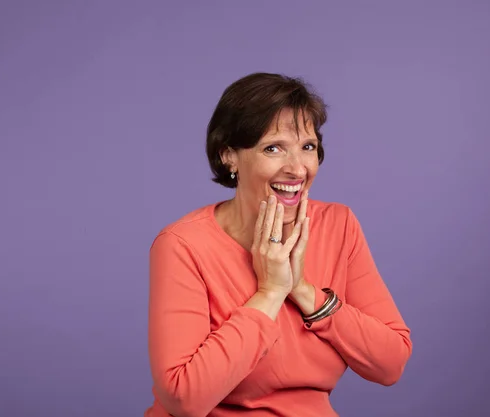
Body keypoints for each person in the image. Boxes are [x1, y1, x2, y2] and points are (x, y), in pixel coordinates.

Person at [145, 72, 412, 417]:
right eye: (273, 148)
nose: (297, 168)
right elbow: (184, 399)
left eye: (308, 147)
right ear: (230, 156)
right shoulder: (183, 245)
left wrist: (302, 290)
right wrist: (270, 293)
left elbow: (390, 364)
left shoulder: (338, 225)